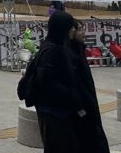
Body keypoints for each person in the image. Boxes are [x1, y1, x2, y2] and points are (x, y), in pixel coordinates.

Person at [30, 10, 85, 152]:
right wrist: (73, 98)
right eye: (70, 26)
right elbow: (48, 82)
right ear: (62, 28)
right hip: (52, 111)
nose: (73, 29)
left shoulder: (60, 47)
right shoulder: (51, 50)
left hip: (60, 109)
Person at [69, 18, 110, 153]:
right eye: (79, 30)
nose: (83, 33)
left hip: (88, 105)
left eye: (83, 29)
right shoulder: (68, 54)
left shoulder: (79, 51)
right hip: (81, 110)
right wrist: (80, 108)